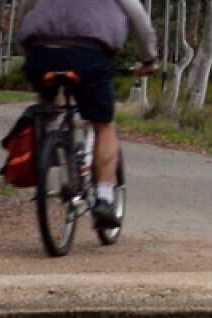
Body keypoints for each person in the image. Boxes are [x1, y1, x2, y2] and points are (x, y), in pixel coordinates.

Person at [17, 0, 158, 229]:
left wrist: (28, 47)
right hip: (89, 53)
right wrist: (149, 59)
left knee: (48, 105)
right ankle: (104, 198)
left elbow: (25, 9)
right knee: (103, 124)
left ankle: (47, 146)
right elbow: (138, 16)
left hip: (40, 51)